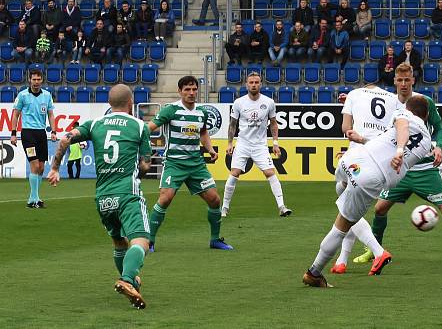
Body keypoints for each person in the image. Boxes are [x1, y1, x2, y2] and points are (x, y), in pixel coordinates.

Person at [351, 63, 442, 267]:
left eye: (408, 80)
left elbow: (440, 129)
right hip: (401, 169)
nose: (404, 84)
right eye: (400, 80)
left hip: (425, 168)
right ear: (394, 81)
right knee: (380, 209)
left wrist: (439, 147)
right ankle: (375, 250)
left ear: (413, 80)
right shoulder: (389, 104)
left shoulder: (424, 102)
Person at [303, 95, 432, 288]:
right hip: (370, 178)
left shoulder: (402, 114)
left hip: (352, 158)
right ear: (427, 115)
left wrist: (361, 139)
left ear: (409, 108)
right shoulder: (426, 141)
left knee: (344, 194)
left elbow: (389, 137)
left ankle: (371, 251)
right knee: (342, 225)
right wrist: (399, 152)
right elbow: (403, 128)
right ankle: (314, 273)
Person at [46, 84, 151, 309]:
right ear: (131, 103)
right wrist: (139, 165)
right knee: (141, 240)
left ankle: (130, 278)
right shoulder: (140, 126)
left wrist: (55, 168)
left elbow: (64, 139)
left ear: (109, 104)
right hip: (127, 193)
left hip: (103, 197)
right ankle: (127, 279)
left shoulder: (95, 124)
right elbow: (144, 165)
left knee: (118, 242)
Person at [146, 76, 233, 252]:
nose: (191, 93)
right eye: (187, 89)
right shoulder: (171, 110)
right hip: (174, 164)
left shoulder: (202, 112)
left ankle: (215, 240)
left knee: (215, 200)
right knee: (165, 199)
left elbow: (203, 133)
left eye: (194, 89)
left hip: (196, 165)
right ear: (180, 91)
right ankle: (150, 241)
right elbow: (149, 128)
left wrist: (210, 150)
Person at [329, 83, 405, 274]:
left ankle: (378, 252)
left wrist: (349, 108)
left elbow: (345, 128)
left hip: (359, 156)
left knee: (346, 201)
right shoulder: (393, 98)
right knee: (349, 205)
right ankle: (342, 260)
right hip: (383, 161)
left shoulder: (353, 94)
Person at [221, 72, 292, 217]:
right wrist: (230, 143)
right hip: (243, 144)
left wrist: (275, 143)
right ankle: (224, 207)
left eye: (256, 82)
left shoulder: (269, 102)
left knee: (270, 173)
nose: (254, 85)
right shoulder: (239, 102)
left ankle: (282, 206)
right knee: (234, 173)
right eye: (251, 82)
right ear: (247, 84)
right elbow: (232, 124)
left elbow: (273, 124)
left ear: (261, 84)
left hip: (260, 145)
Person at [10, 70, 56, 209]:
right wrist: (13, 133)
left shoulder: (47, 95)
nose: (36, 82)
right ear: (29, 80)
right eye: (34, 79)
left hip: (41, 134)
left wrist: (53, 131)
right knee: (34, 166)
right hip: (28, 134)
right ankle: (34, 200)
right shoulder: (22, 95)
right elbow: (16, 114)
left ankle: (33, 198)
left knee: (41, 168)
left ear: (42, 80)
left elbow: (51, 114)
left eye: (38, 79)